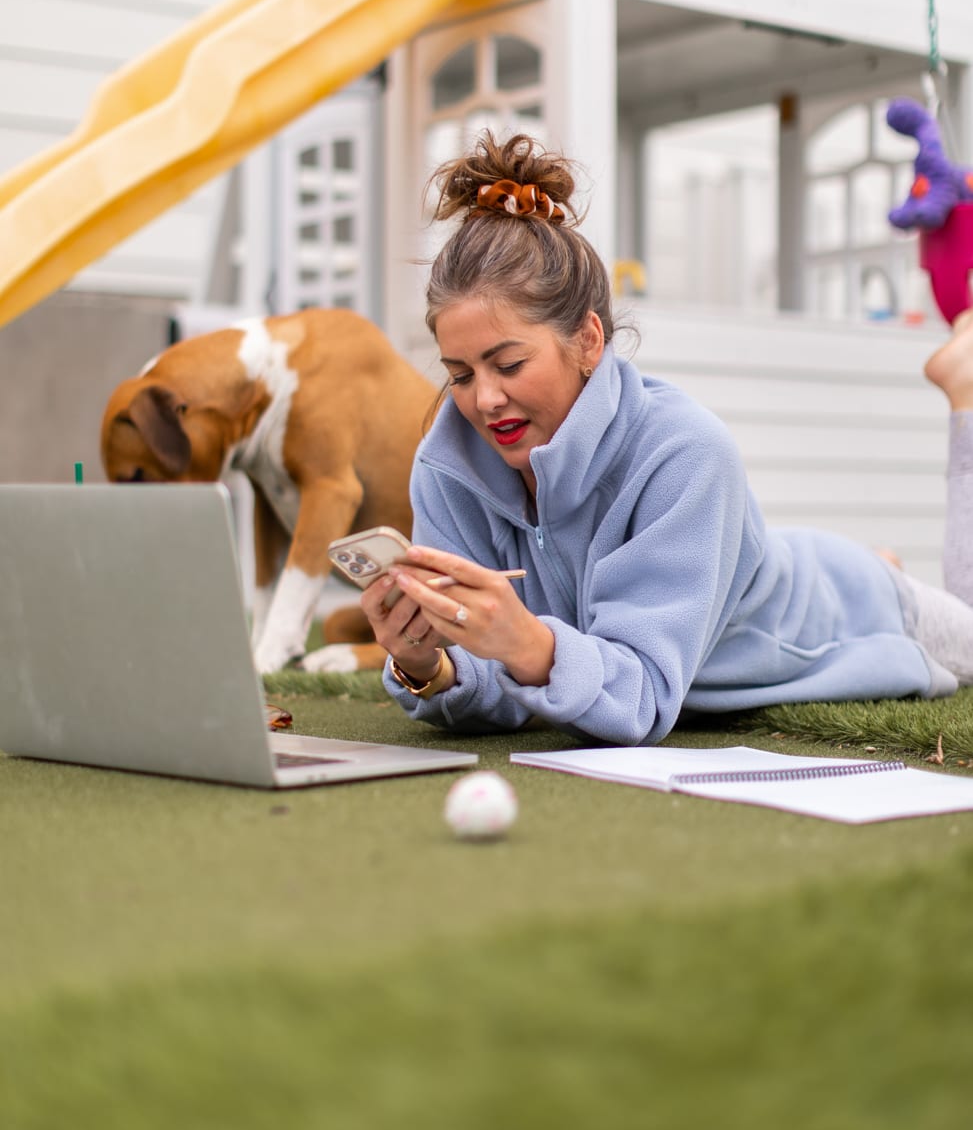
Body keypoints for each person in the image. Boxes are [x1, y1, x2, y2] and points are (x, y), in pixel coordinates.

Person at [361, 131, 973, 746]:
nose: (484, 400)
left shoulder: (685, 451)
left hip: (859, 614)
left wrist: (525, 640)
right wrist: (427, 667)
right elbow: (509, 686)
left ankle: (964, 403)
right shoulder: (446, 471)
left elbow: (640, 696)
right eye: (460, 375)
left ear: (589, 341)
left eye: (509, 365)